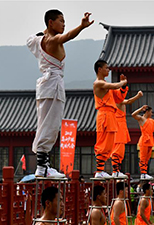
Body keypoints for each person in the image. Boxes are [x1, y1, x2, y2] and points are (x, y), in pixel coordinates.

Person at [27, 10, 93, 178]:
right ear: (51, 22)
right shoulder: (53, 40)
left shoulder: (38, 40)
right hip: (53, 84)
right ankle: (42, 167)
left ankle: (43, 164)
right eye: (61, 21)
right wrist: (82, 27)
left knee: (45, 123)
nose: (64, 24)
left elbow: (31, 39)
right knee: (50, 124)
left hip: (44, 85)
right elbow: (68, 36)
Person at [93, 60, 128, 178]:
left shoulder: (106, 84)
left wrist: (124, 87)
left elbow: (118, 98)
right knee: (103, 143)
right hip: (104, 114)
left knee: (109, 144)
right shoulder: (98, 83)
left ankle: (101, 170)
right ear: (100, 69)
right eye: (106, 68)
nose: (108, 70)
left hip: (111, 115)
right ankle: (99, 170)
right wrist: (121, 83)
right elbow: (113, 86)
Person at [112, 90, 143, 178]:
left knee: (119, 149)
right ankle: (116, 171)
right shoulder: (118, 101)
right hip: (119, 126)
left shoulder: (112, 101)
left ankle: (116, 170)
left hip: (117, 125)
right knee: (118, 150)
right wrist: (138, 95)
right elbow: (129, 101)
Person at [132, 105, 154, 180]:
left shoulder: (151, 121)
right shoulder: (142, 119)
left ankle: (145, 172)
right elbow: (133, 114)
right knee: (143, 157)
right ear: (147, 112)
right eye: (151, 112)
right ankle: (143, 173)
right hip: (144, 139)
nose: (151, 113)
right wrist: (140, 108)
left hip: (150, 140)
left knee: (147, 158)